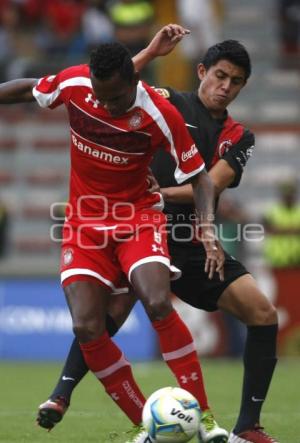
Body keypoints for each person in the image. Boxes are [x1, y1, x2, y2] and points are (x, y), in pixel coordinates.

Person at [37, 25, 279, 443]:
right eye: (219, 76)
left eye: (235, 82)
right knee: (99, 321)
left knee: (263, 314)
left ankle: (247, 428)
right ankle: (63, 392)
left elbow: (211, 184)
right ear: (201, 71)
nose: (225, 87)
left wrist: (162, 193)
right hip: (140, 229)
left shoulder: (238, 136)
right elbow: (114, 82)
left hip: (188, 241)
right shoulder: (168, 101)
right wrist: (150, 51)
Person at [0, 38, 225, 443]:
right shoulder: (75, 85)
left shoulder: (160, 114)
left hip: (137, 218)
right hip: (84, 225)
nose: (106, 107)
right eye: (101, 98)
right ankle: (147, 425)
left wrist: (206, 228)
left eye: (116, 99)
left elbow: (201, 178)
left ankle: (206, 419)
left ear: (134, 80)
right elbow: (26, 88)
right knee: (87, 327)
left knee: (157, 301)